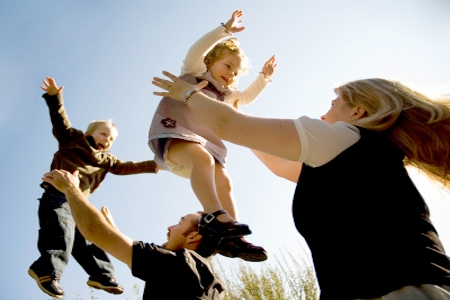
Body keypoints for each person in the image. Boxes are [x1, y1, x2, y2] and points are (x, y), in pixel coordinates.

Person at [152, 72, 450, 299]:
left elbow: (230, 126)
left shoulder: (345, 137)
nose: (323, 114)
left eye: (332, 105)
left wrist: (187, 93)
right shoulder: (351, 154)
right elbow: (278, 163)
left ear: (357, 113)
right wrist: (238, 119)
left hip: (404, 289)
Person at [148, 10, 276, 262]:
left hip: (204, 146)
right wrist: (224, 30)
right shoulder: (195, 71)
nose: (230, 74)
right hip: (175, 136)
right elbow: (197, 49)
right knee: (203, 160)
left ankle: (233, 239)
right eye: (227, 65)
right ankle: (215, 217)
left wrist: (264, 78)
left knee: (225, 181)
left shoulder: (227, 95)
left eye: (236, 73)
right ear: (210, 61)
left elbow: (247, 97)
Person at [28, 77, 159, 299]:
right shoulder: (73, 140)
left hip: (79, 202)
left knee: (89, 236)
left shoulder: (108, 161)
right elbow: (60, 120)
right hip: (57, 196)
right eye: (103, 134)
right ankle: (47, 269)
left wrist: (157, 165)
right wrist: (54, 97)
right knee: (62, 231)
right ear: (89, 133)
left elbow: (128, 167)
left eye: (111, 139)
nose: (107, 141)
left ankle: (101, 274)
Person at [42, 169, 225, 300]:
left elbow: (93, 231)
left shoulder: (177, 263)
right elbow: (123, 246)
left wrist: (70, 188)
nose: (169, 227)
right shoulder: (211, 282)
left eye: (180, 222)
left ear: (193, 237)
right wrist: (113, 229)